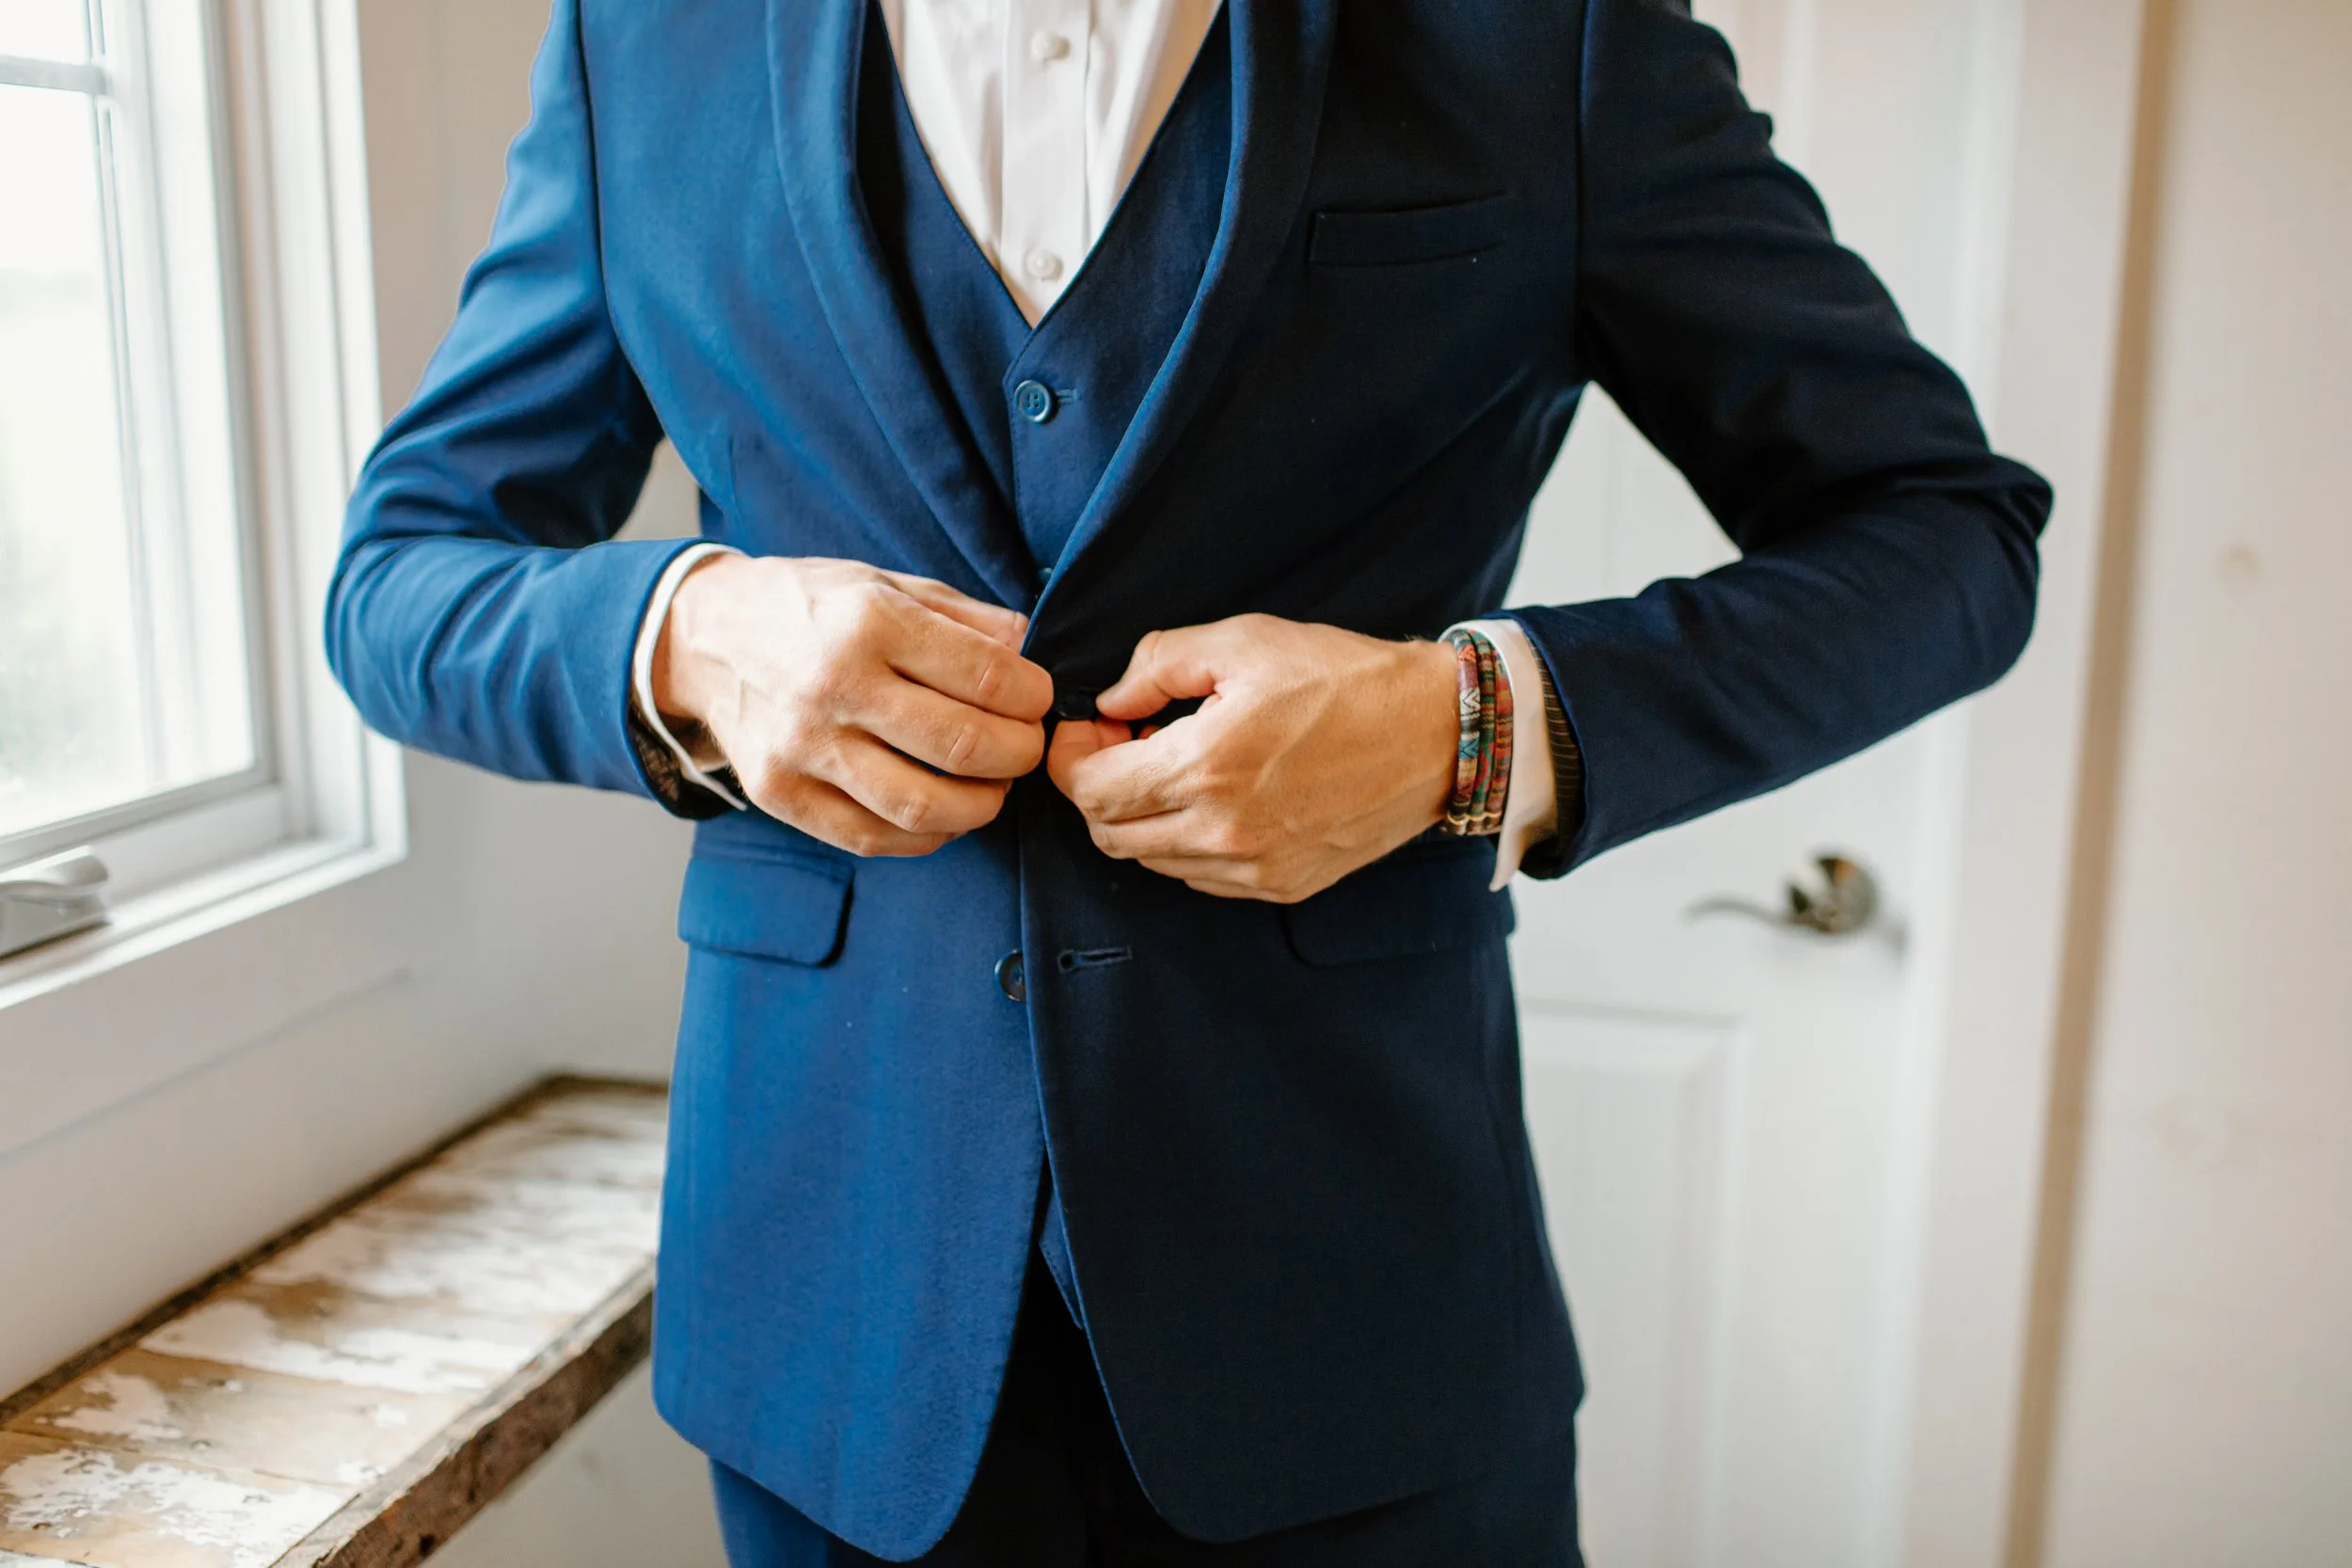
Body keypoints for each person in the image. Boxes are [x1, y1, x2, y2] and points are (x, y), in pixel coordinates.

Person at [326, 0, 2050, 1561]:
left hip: (1359, 1322)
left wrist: (1471, 723)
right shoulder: (645, 45)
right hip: (829, 1326)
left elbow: (1944, 536)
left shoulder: (1550, 33)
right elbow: (398, 578)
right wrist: (694, 641)